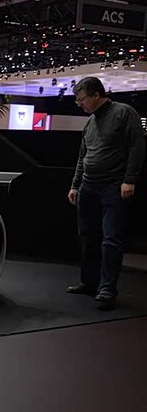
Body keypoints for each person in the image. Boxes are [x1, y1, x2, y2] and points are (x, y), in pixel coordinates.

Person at [67, 76, 144, 310]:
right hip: (88, 186)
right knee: (88, 236)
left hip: (113, 186)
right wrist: (75, 184)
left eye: (81, 99)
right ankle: (89, 283)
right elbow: (82, 156)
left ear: (96, 95)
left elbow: (137, 148)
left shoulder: (124, 112)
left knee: (111, 239)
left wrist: (129, 180)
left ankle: (107, 289)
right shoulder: (90, 122)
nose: (79, 104)